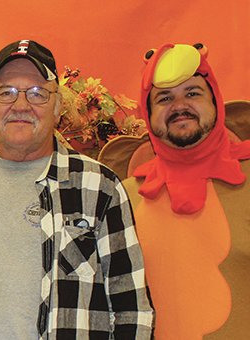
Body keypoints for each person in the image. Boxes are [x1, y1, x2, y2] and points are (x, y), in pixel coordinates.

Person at [0, 39, 154, 339]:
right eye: (6, 93)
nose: (20, 105)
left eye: (37, 93)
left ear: (59, 106)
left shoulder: (99, 187)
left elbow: (132, 309)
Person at [120, 43, 250, 339]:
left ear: (216, 100)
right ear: (148, 115)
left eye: (192, 93)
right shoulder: (123, 199)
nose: (179, 106)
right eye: (164, 98)